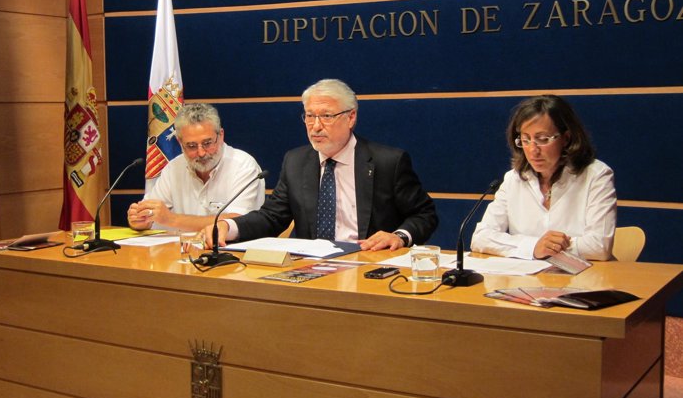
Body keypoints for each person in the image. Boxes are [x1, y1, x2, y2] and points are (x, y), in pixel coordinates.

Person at [205, 78, 438, 251]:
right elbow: (272, 217)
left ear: (351, 117)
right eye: (309, 116)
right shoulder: (296, 161)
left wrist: (399, 236)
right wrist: (229, 227)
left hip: (368, 263)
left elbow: (425, 215)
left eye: (326, 116)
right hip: (311, 270)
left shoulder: (387, 162)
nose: (315, 126)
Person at [471, 94, 616, 261]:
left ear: (566, 138)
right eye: (525, 140)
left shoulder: (596, 176)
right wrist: (533, 247)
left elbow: (599, 246)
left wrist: (545, 248)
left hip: (584, 281)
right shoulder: (513, 179)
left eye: (542, 139)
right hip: (526, 281)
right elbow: (481, 237)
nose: (533, 150)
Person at [127, 103, 265, 231]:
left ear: (221, 135)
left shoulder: (243, 166)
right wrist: (140, 220)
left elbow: (238, 222)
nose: (201, 153)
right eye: (191, 146)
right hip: (181, 254)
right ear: (179, 142)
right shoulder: (174, 168)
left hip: (229, 253)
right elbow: (149, 215)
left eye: (207, 143)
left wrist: (171, 219)